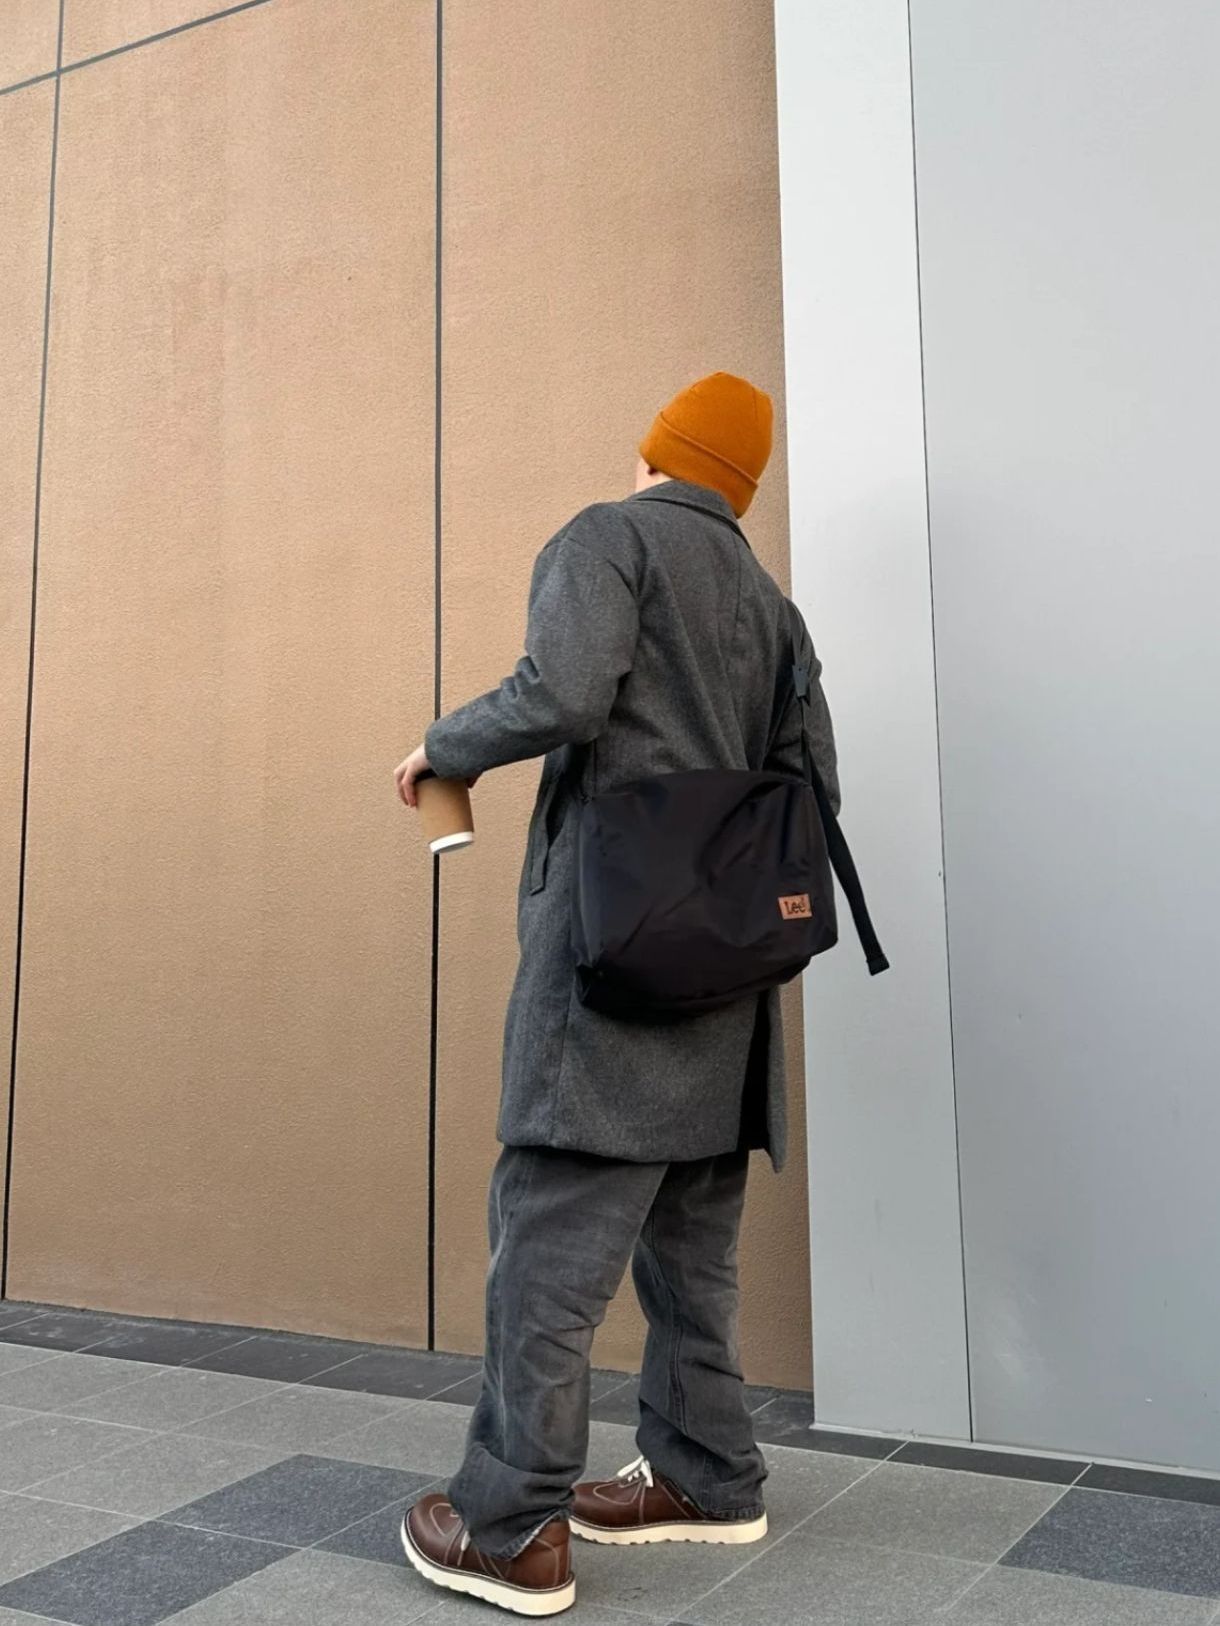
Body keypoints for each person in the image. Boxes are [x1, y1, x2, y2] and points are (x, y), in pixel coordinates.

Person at [393, 371, 839, 1616]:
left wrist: (443, 745)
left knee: (544, 1254)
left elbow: (565, 690)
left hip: (611, 972)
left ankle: (506, 1527)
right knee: (690, 1256)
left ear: (655, 456)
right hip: (727, 984)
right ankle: (705, 1476)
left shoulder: (609, 539)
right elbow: (813, 790)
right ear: (738, 487)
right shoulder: (772, 609)